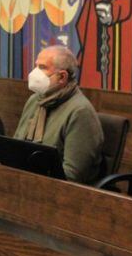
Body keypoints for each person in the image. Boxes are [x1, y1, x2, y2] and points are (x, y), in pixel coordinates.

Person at [13, 45, 103, 184]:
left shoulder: (80, 112)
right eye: (36, 66)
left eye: (42, 67)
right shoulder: (35, 100)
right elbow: (16, 146)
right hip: (26, 181)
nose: (35, 72)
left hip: (59, 192)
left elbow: (71, 175)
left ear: (62, 77)